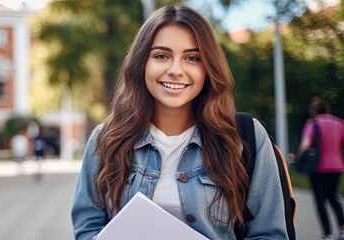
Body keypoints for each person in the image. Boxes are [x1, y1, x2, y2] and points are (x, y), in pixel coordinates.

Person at [71, 5, 287, 240]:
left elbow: (269, 234)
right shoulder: (105, 140)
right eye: (161, 56)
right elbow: (88, 228)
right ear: (142, 63)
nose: (176, 70)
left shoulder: (246, 138)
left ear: (208, 68)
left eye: (192, 58)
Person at [296, 96, 344, 240]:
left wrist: (298, 157)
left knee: (319, 200)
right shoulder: (340, 123)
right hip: (337, 166)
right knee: (333, 197)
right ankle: (342, 228)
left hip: (318, 168)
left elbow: (305, 143)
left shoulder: (312, 123)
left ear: (314, 110)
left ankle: (327, 233)